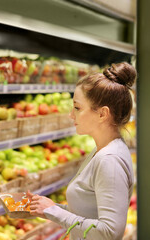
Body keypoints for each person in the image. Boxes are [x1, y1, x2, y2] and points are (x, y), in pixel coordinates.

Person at [27, 62, 136, 240]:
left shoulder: (109, 160)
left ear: (102, 114)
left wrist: (53, 211)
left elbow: (109, 232)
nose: (71, 115)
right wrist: (47, 208)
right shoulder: (101, 150)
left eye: (77, 108)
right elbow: (89, 214)